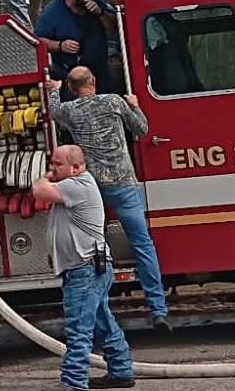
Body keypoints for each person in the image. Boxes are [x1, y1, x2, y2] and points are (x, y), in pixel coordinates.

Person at [46, 65, 170, 329]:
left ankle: (99, 309)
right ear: (94, 81)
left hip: (91, 189)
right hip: (125, 183)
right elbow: (142, 130)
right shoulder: (114, 101)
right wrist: (135, 105)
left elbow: (53, 112)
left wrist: (54, 92)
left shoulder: (70, 110)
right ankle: (158, 308)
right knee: (142, 244)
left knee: (94, 251)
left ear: (71, 87)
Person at [31, 143, 136, 391]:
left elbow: (38, 191)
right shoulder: (72, 186)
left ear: (77, 167)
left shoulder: (78, 184)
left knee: (79, 326)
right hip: (86, 267)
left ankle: (74, 381)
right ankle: (121, 370)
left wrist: (44, 176)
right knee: (102, 321)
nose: (53, 168)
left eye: (58, 164)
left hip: (85, 269)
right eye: (51, 163)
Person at [34, 0, 124, 94]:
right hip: (71, 79)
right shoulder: (51, 13)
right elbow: (38, 42)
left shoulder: (96, 0)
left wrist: (100, 13)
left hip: (101, 73)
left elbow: (116, 27)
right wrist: (60, 46)